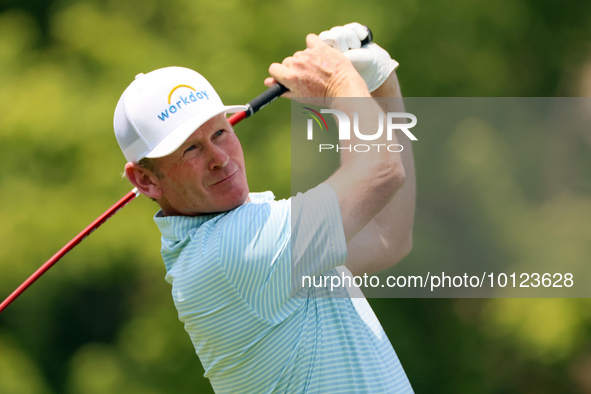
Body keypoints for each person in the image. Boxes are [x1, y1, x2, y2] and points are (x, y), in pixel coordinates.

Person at [113, 23, 415, 394]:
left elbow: (388, 236)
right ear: (145, 180)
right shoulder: (229, 253)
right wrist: (341, 84)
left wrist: (380, 86)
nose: (220, 159)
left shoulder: (253, 234)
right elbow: (381, 170)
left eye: (220, 132)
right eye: (191, 149)